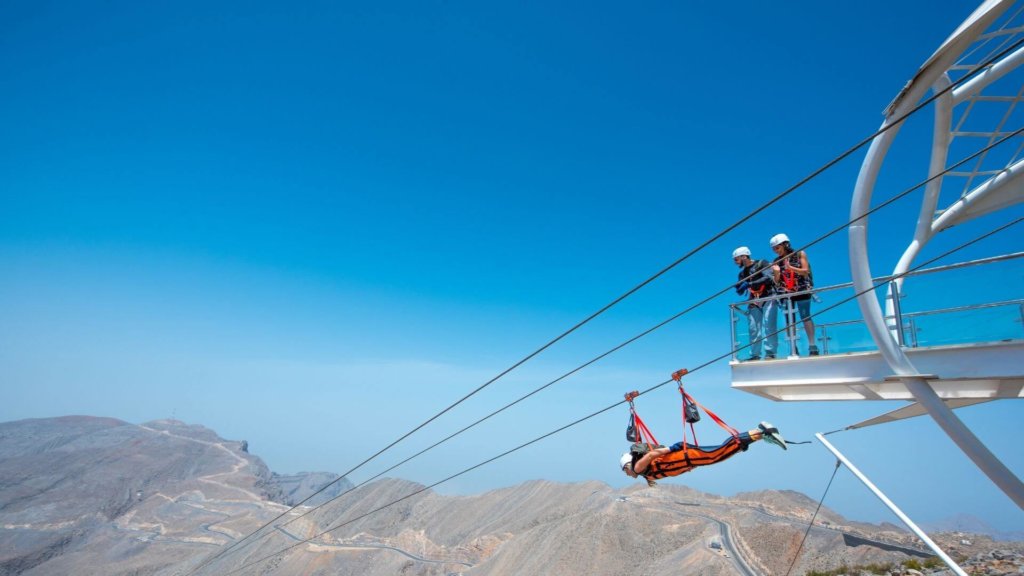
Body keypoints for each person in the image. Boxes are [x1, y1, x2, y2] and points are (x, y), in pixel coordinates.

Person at [619, 422, 786, 486]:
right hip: (687, 460)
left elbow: (650, 455)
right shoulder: (647, 475)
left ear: (628, 465)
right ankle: (758, 436)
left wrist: (671, 449)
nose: (627, 474)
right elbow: (671, 470)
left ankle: (759, 431)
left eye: (625, 471)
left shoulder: (639, 468)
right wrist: (688, 467)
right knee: (719, 454)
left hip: (685, 456)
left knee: (718, 453)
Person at [770, 233, 818, 356]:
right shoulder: (776, 261)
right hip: (786, 293)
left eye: (777, 248)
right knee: (789, 321)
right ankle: (793, 347)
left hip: (802, 289)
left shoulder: (800, 254)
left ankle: (812, 346)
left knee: (805, 316)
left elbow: (805, 271)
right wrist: (776, 273)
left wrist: (790, 267)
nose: (776, 251)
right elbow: (776, 282)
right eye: (774, 249)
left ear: (785, 245)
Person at [732, 246, 777, 361]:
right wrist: (739, 288)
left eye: (736, 259)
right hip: (754, 300)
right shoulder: (742, 274)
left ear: (744, 256)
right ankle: (755, 354)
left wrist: (750, 284)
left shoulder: (761, 264)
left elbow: (768, 278)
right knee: (753, 328)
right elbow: (741, 291)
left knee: (769, 325)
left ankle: (770, 353)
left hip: (768, 296)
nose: (735, 263)